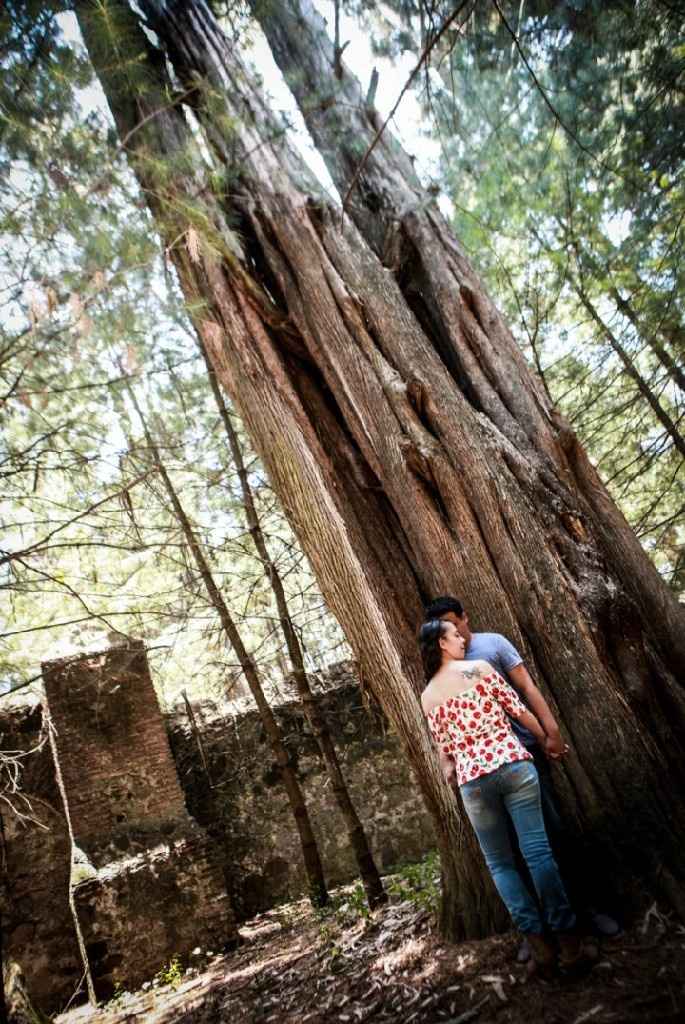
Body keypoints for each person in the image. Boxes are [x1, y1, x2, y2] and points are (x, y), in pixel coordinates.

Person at [423, 596, 620, 953]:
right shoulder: (467, 670)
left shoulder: (487, 648)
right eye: (451, 631)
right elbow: (500, 714)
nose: (460, 636)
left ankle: (573, 920)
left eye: (457, 624)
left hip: (511, 761)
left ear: (465, 618)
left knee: (546, 841)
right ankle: (553, 935)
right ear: (441, 638)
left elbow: (525, 691)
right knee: (525, 852)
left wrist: (550, 734)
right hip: (507, 764)